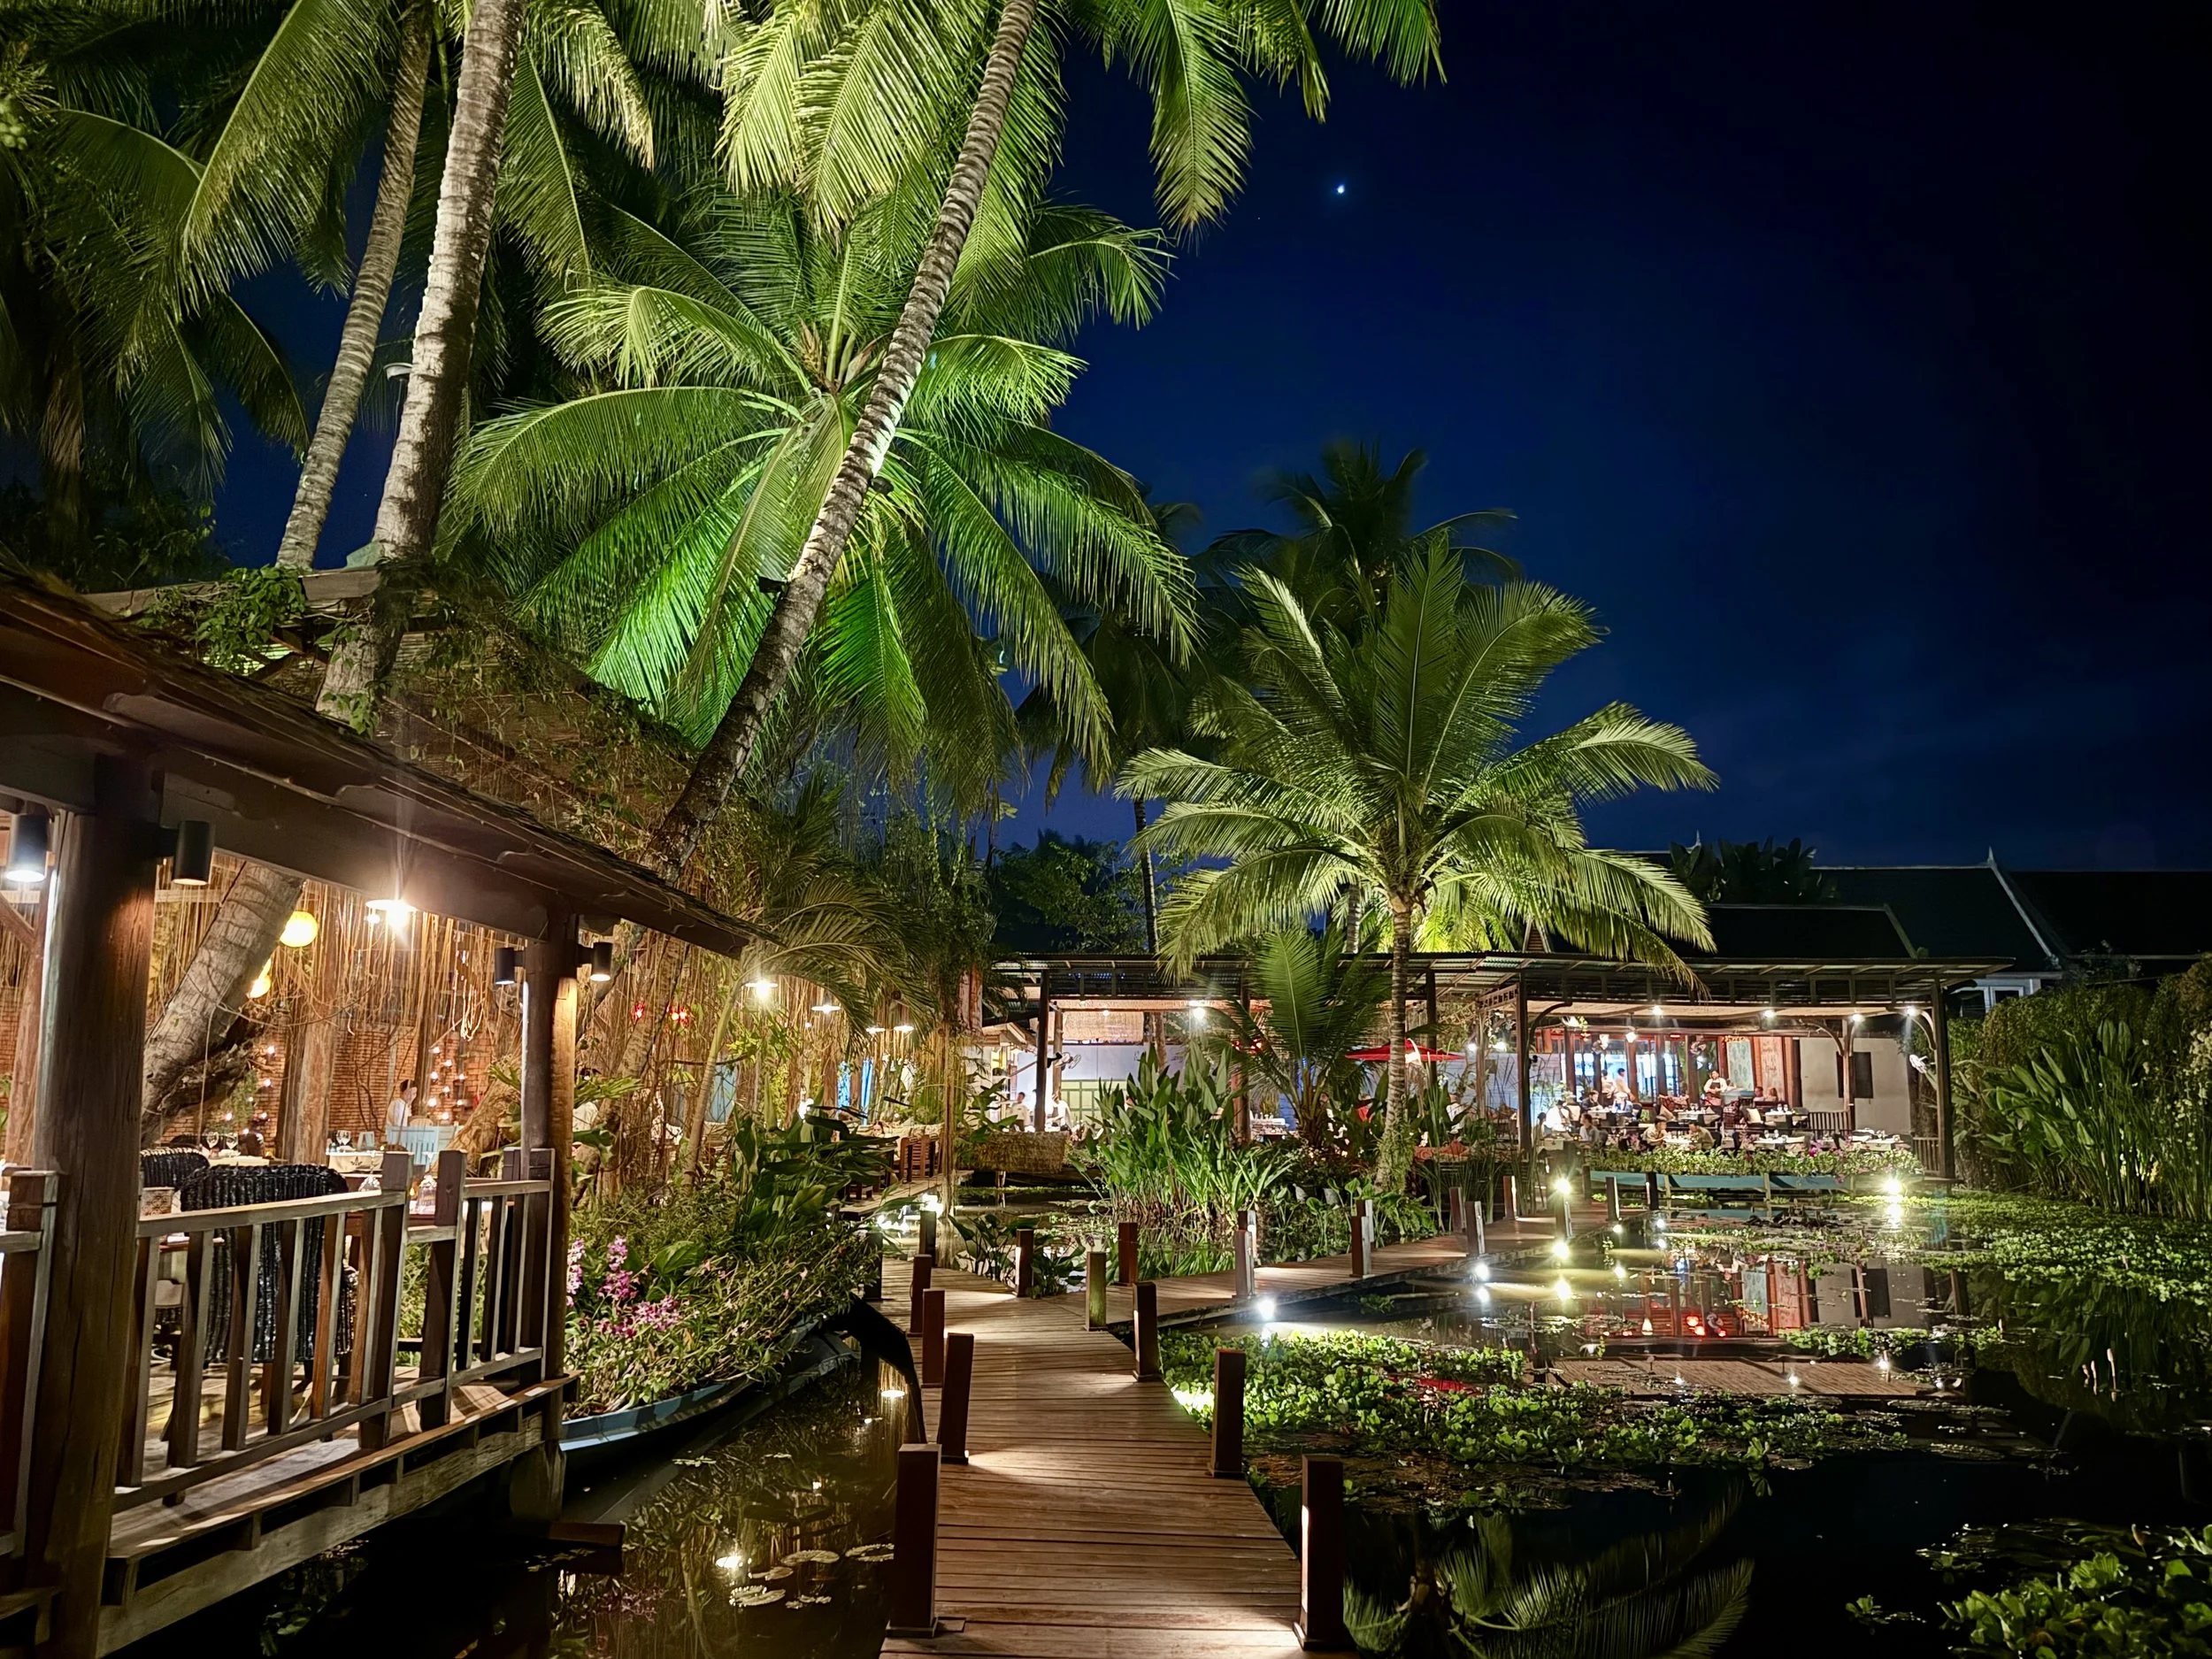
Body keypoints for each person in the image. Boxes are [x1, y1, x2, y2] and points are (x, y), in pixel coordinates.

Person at [384, 1079, 418, 1147]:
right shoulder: (397, 1105)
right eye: (408, 1093)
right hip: (396, 1142)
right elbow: (400, 1126)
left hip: (404, 1141)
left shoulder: (406, 1106)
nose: (411, 1097)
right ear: (402, 1092)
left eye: (414, 1094)